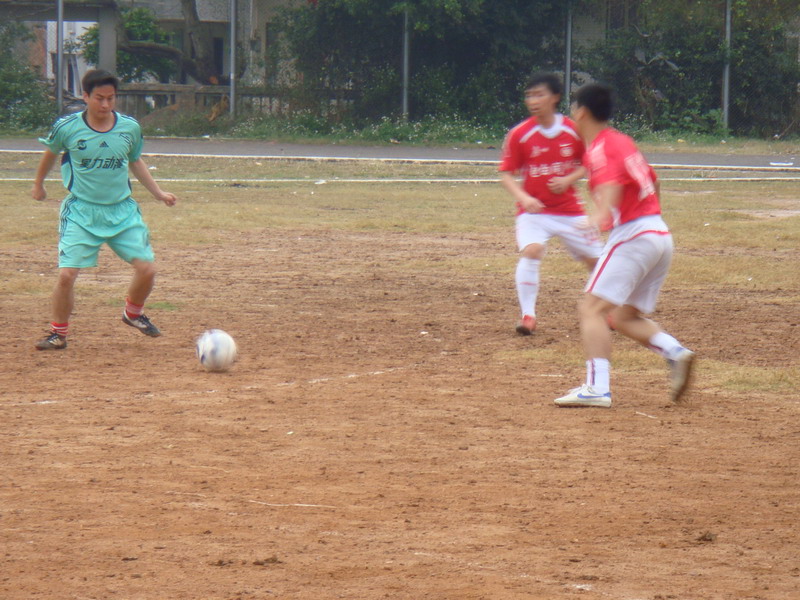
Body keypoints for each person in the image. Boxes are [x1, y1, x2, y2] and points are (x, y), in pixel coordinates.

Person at [554, 83, 694, 408]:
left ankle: (597, 388)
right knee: (622, 316)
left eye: (572, 109)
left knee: (591, 309)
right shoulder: (623, 141)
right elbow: (653, 181)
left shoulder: (600, 147)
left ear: (581, 112)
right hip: (658, 233)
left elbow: (612, 182)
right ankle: (675, 352)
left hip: (633, 235)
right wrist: (648, 219)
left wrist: (599, 215)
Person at [32, 69, 177, 350]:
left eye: (111, 98)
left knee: (147, 270)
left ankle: (132, 314)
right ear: (86, 96)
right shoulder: (67, 127)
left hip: (122, 212)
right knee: (66, 275)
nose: (106, 104)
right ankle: (58, 334)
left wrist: (158, 193)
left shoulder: (129, 128)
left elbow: (135, 160)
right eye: (99, 98)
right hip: (81, 212)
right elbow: (50, 153)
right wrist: (38, 185)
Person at [499, 72, 602, 335]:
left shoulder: (573, 130)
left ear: (555, 97)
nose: (533, 101)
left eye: (539, 94)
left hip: (569, 211)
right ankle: (528, 316)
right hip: (534, 212)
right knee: (532, 251)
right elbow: (506, 173)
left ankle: (606, 311)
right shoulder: (520, 134)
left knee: (597, 262)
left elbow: (587, 164)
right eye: (529, 95)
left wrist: (568, 179)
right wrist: (524, 198)